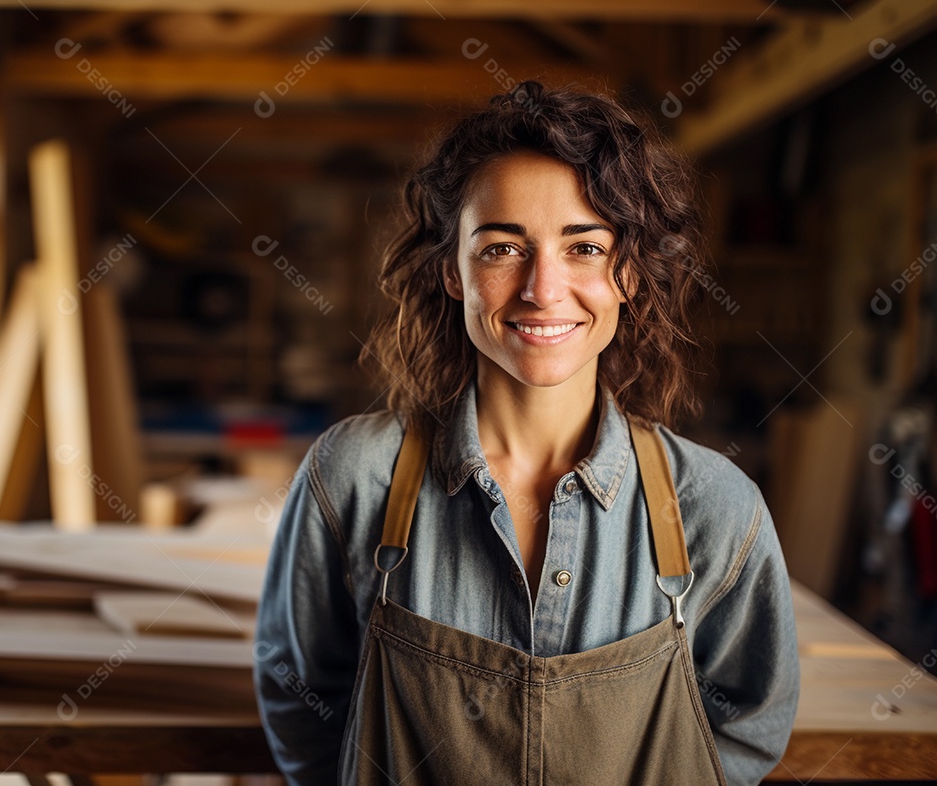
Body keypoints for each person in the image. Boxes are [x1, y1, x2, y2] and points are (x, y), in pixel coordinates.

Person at [253, 80, 800, 786]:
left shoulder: (712, 506)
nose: (543, 289)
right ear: (453, 271)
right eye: (503, 249)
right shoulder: (354, 475)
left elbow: (749, 724)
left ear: (630, 274)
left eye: (585, 247)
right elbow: (303, 704)